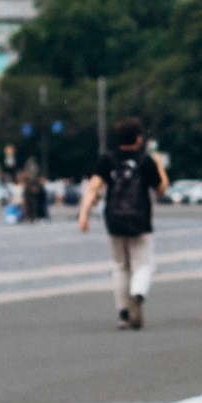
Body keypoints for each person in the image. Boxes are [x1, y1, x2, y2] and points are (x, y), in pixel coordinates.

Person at [81, 118, 167, 328]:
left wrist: (84, 213)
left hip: (114, 218)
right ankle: (137, 295)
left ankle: (123, 313)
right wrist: (158, 164)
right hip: (140, 219)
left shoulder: (107, 159)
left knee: (120, 265)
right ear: (138, 138)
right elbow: (161, 188)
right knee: (143, 264)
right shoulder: (145, 160)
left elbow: (93, 188)